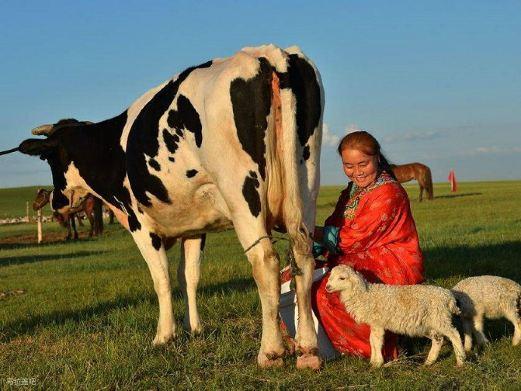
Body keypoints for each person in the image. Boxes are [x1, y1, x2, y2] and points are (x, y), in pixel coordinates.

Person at [305, 130, 424, 360]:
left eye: (363, 164)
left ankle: (387, 346)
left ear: (377, 158)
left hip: (395, 263)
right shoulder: (351, 190)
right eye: (349, 166)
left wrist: (307, 230)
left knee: (333, 289)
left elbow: (351, 239)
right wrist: (310, 249)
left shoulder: (390, 193)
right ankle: (311, 341)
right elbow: (334, 224)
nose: (356, 172)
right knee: (297, 275)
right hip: (356, 254)